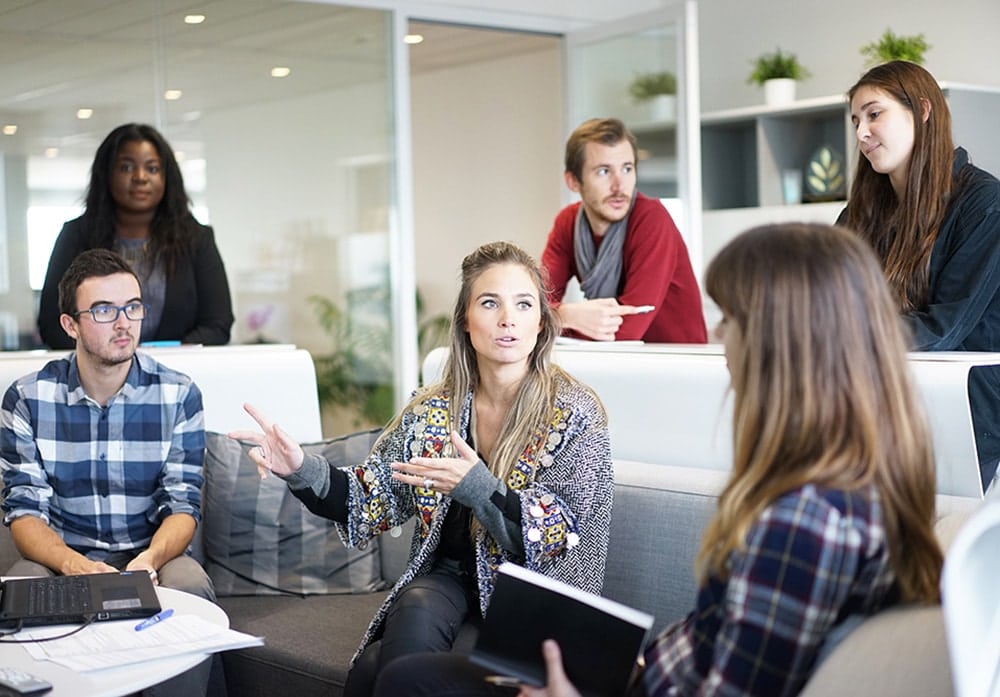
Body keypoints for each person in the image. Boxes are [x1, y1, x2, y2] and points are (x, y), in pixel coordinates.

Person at [373, 222, 944, 697]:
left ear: (782, 343)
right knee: (404, 672)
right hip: (641, 676)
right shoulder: (844, 486)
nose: (720, 337)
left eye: (732, 319)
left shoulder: (804, 522)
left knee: (410, 683)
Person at [230, 240, 613, 697]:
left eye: (523, 304)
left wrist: (478, 488)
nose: (508, 318)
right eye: (490, 303)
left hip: (534, 600)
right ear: (466, 322)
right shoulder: (433, 410)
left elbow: (560, 537)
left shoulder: (574, 413)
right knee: (413, 606)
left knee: (376, 667)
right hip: (449, 581)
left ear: (540, 323)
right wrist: (298, 467)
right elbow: (367, 497)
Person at [1, 249, 217, 696]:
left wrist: (149, 562)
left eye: (132, 307)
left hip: (151, 553)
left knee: (191, 584)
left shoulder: (178, 394)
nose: (124, 322)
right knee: (20, 586)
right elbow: (24, 513)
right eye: (103, 310)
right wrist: (74, 566)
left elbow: (183, 504)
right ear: (70, 325)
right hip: (62, 555)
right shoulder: (27, 398)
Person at [838, 60, 1000, 492]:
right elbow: (825, 300)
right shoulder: (859, 215)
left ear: (923, 111)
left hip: (967, 413)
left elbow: (943, 327)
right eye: (856, 120)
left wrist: (838, 334)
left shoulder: (984, 203)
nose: (861, 133)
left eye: (875, 114)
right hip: (881, 401)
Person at [37, 122, 234, 349]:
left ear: (167, 177)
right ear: (106, 174)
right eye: (126, 168)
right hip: (96, 377)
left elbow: (217, 324)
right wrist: (110, 357)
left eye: (152, 168)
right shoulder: (76, 236)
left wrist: (162, 360)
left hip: (177, 374)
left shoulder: (197, 239)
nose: (140, 177)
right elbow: (52, 325)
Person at [539, 117, 706, 343]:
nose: (619, 186)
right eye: (603, 171)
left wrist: (555, 319)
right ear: (573, 181)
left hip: (675, 364)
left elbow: (627, 331)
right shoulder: (567, 223)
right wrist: (567, 315)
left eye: (627, 169)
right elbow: (533, 307)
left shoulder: (651, 219)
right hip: (616, 363)